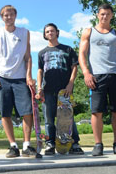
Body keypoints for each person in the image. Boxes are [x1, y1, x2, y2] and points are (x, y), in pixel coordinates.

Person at [0, 5, 37, 158]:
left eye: (11, 14)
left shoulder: (24, 32)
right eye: (5, 15)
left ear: (15, 16)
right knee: (5, 113)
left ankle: (26, 146)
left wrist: (29, 75)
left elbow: (28, 56)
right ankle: (13, 146)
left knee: (27, 112)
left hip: (20, 78)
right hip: (2, 77)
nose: (8, 17)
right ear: (2, 17)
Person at [79, 4, 116, 156]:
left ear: (112, 16)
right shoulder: (89, 32)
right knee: (96, 112)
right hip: (96, 77)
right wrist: (86, 73)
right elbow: (82, 54)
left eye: (108, 14)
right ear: (98, 15)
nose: (105, 16)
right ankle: (98, 144)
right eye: (102, 14)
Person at [36, 23, 84, 155]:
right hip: (48, 90)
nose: (50, 33)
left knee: (68, 118)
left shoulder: (67, 49)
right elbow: (40, 71)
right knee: (49, 119)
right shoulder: (42, 53)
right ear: (45, 35)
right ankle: (50, 144)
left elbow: (75, 67)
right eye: (47, 32)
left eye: (52, 31)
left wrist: (70, 84)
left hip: (64, 90)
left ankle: (74, 143)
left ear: (57, 32)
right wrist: (39, 88)